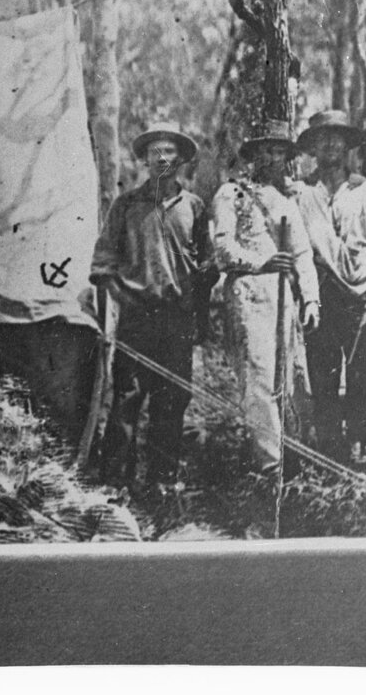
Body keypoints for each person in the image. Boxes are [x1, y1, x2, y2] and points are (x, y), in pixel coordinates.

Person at [91, 125, 215, 488]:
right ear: (144, 159)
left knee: (171, 402)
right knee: (126, 400)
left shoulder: (194, 207)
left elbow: (207, 271)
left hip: (176, 320)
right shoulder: (126, 206)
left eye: (169, 152)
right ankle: (115, 485)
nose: (162, 158)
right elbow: (102, 266)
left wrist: (198, 320)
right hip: (136, 316)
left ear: (181, 160)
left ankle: (162, 482)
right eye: (155, 152)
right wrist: (123, 301)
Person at [209, 120, 329, 472]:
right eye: (267, 151)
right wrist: (260, 262)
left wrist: (310, 299)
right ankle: (268, 464)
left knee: (290, 378)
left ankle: (294, 458)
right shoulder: (230, 195)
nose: (273, 158)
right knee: (259, 378)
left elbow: (302, 254)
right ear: (254, 155)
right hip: (249, 295)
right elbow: (223, 248)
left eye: (280, 152)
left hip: (283, 297)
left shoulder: (285, 202)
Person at [294, 110, 366, 463]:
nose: (331, 146)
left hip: (362, 293)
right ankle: (329, 445)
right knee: (324, 373)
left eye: (337, 138)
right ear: (313, 148)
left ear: (348, 145)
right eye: (323, 140)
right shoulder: (302, 194)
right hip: (321, 292)